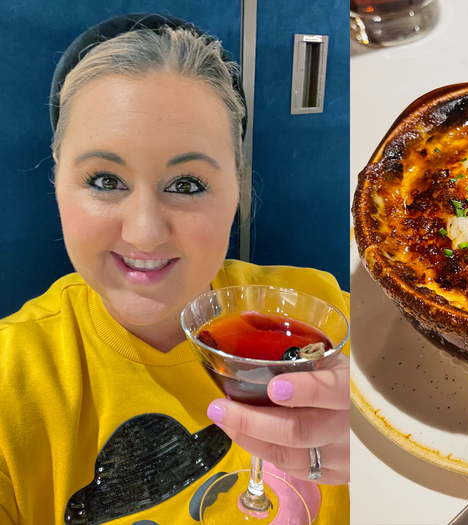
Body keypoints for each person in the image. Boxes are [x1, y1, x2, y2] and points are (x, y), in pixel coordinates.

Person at [0, 15, 349, 525]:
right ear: (56, 176)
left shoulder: (322, 314)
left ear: (237, 183)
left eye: (186, 184)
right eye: (103, 180)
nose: (145, 232)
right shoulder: (15, 377)